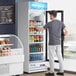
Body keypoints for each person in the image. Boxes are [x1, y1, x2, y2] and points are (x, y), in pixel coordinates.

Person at [34, 10, 67, 76]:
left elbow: (40, 29)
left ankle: (51, 72)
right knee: (60, 57)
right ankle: (61, 71)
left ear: (52, 15)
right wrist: (62, 36)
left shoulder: (49, 23)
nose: (49, 16)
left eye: (50, 15)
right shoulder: (61, 23)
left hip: (52, 43)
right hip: (58, 42)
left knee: (51, 57)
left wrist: (35, 26)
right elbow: (66, 32)